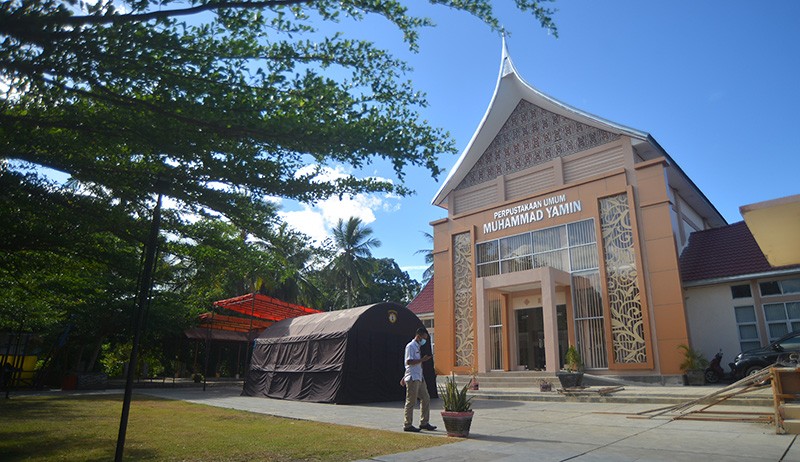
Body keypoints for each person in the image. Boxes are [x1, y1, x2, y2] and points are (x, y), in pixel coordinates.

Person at [402, 327, 436, 432]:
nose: (424, 341)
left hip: (419, 376)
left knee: (426, 398)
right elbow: (408, 362)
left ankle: (424, 422)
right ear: (418, 336)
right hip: (413, 377)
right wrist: (422, 360)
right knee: (411, 401)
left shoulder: (417, 347)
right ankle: (407, 424)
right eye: (423, 338)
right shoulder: (410, 346)